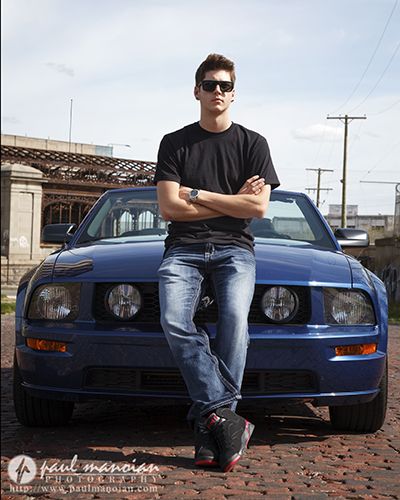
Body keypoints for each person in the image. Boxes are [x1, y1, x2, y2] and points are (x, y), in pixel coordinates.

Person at [154, 53, 280, 472]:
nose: (218, 92)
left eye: (225, 86)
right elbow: (170, 209)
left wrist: (198, 194)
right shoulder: (175, 142)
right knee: (174, 320)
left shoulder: (253, 144)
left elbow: (258, 209)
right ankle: (226, 418)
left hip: (235, 249)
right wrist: (231, 202)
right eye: (210, 85)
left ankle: (209, 428)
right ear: (197, 91)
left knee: (234, 321)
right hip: (183, 249)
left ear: (234, 93)